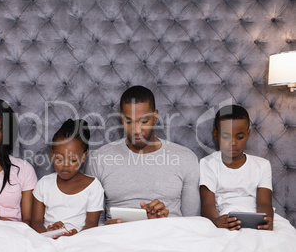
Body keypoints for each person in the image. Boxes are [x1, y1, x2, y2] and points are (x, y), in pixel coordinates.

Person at [85, 85, 200, 224]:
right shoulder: (99, 159)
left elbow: (193, 222)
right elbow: (91, 224)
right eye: (128, 121)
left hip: (168, 238)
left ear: (155, 116)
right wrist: (105, 228)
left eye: (144, 121)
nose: (136, 130)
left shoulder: (185, 158)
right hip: (116, 240)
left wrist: (161, 222)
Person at [199, 105, 274, 230]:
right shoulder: (208, 164)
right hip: (224, 219)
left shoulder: (262, 165)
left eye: (239, 137)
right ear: (216, 134)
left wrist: (265, 220)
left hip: (254, 218)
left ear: (248, 134)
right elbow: (207, 205)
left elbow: (264, 203)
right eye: (226, 136)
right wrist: (216, 220)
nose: (233, 143)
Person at [31, 119, 104, 237]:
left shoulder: (93, 186)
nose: (65, 164)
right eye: (59, 159)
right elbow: (36, 222)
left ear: (84, 157)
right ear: (52, 154)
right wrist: (49, 234)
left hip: (79, 240)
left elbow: (91, 223)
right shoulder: (44, 183)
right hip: (47, 240)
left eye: (73, 160)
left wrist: (76, 237)